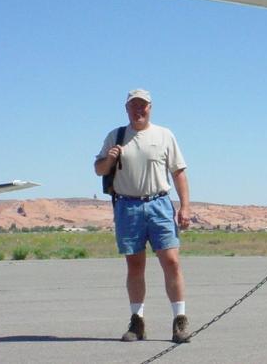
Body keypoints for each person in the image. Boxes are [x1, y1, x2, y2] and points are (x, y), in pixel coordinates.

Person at [95, 88, 191, 343]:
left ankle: (179, 321)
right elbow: (98, 169)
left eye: (143, 106)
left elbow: (178, 172)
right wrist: (110, 158)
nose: (139, 110)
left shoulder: (164, 135)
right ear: (126, 109)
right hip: (128, 207)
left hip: (159, 204)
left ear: (150, 107)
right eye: (133, 106)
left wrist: (185, 207)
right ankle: (137, 322)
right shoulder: (116, 136)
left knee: (171, 261)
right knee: (135, 265)